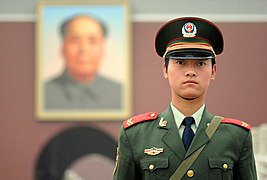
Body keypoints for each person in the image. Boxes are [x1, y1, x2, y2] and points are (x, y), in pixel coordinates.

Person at [113, 17, 257, 179]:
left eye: (201, 63)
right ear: (165, 70)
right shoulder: (136, 135)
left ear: (214, 71)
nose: (190, 71)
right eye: (180, 62)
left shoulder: (236, 136)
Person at [45, 15, 122, 110]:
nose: (84, 49)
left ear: (103, 48)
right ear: (63, 47)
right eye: (75, 40)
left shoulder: (119, 91)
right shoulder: (45, 91)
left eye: (93, 41)